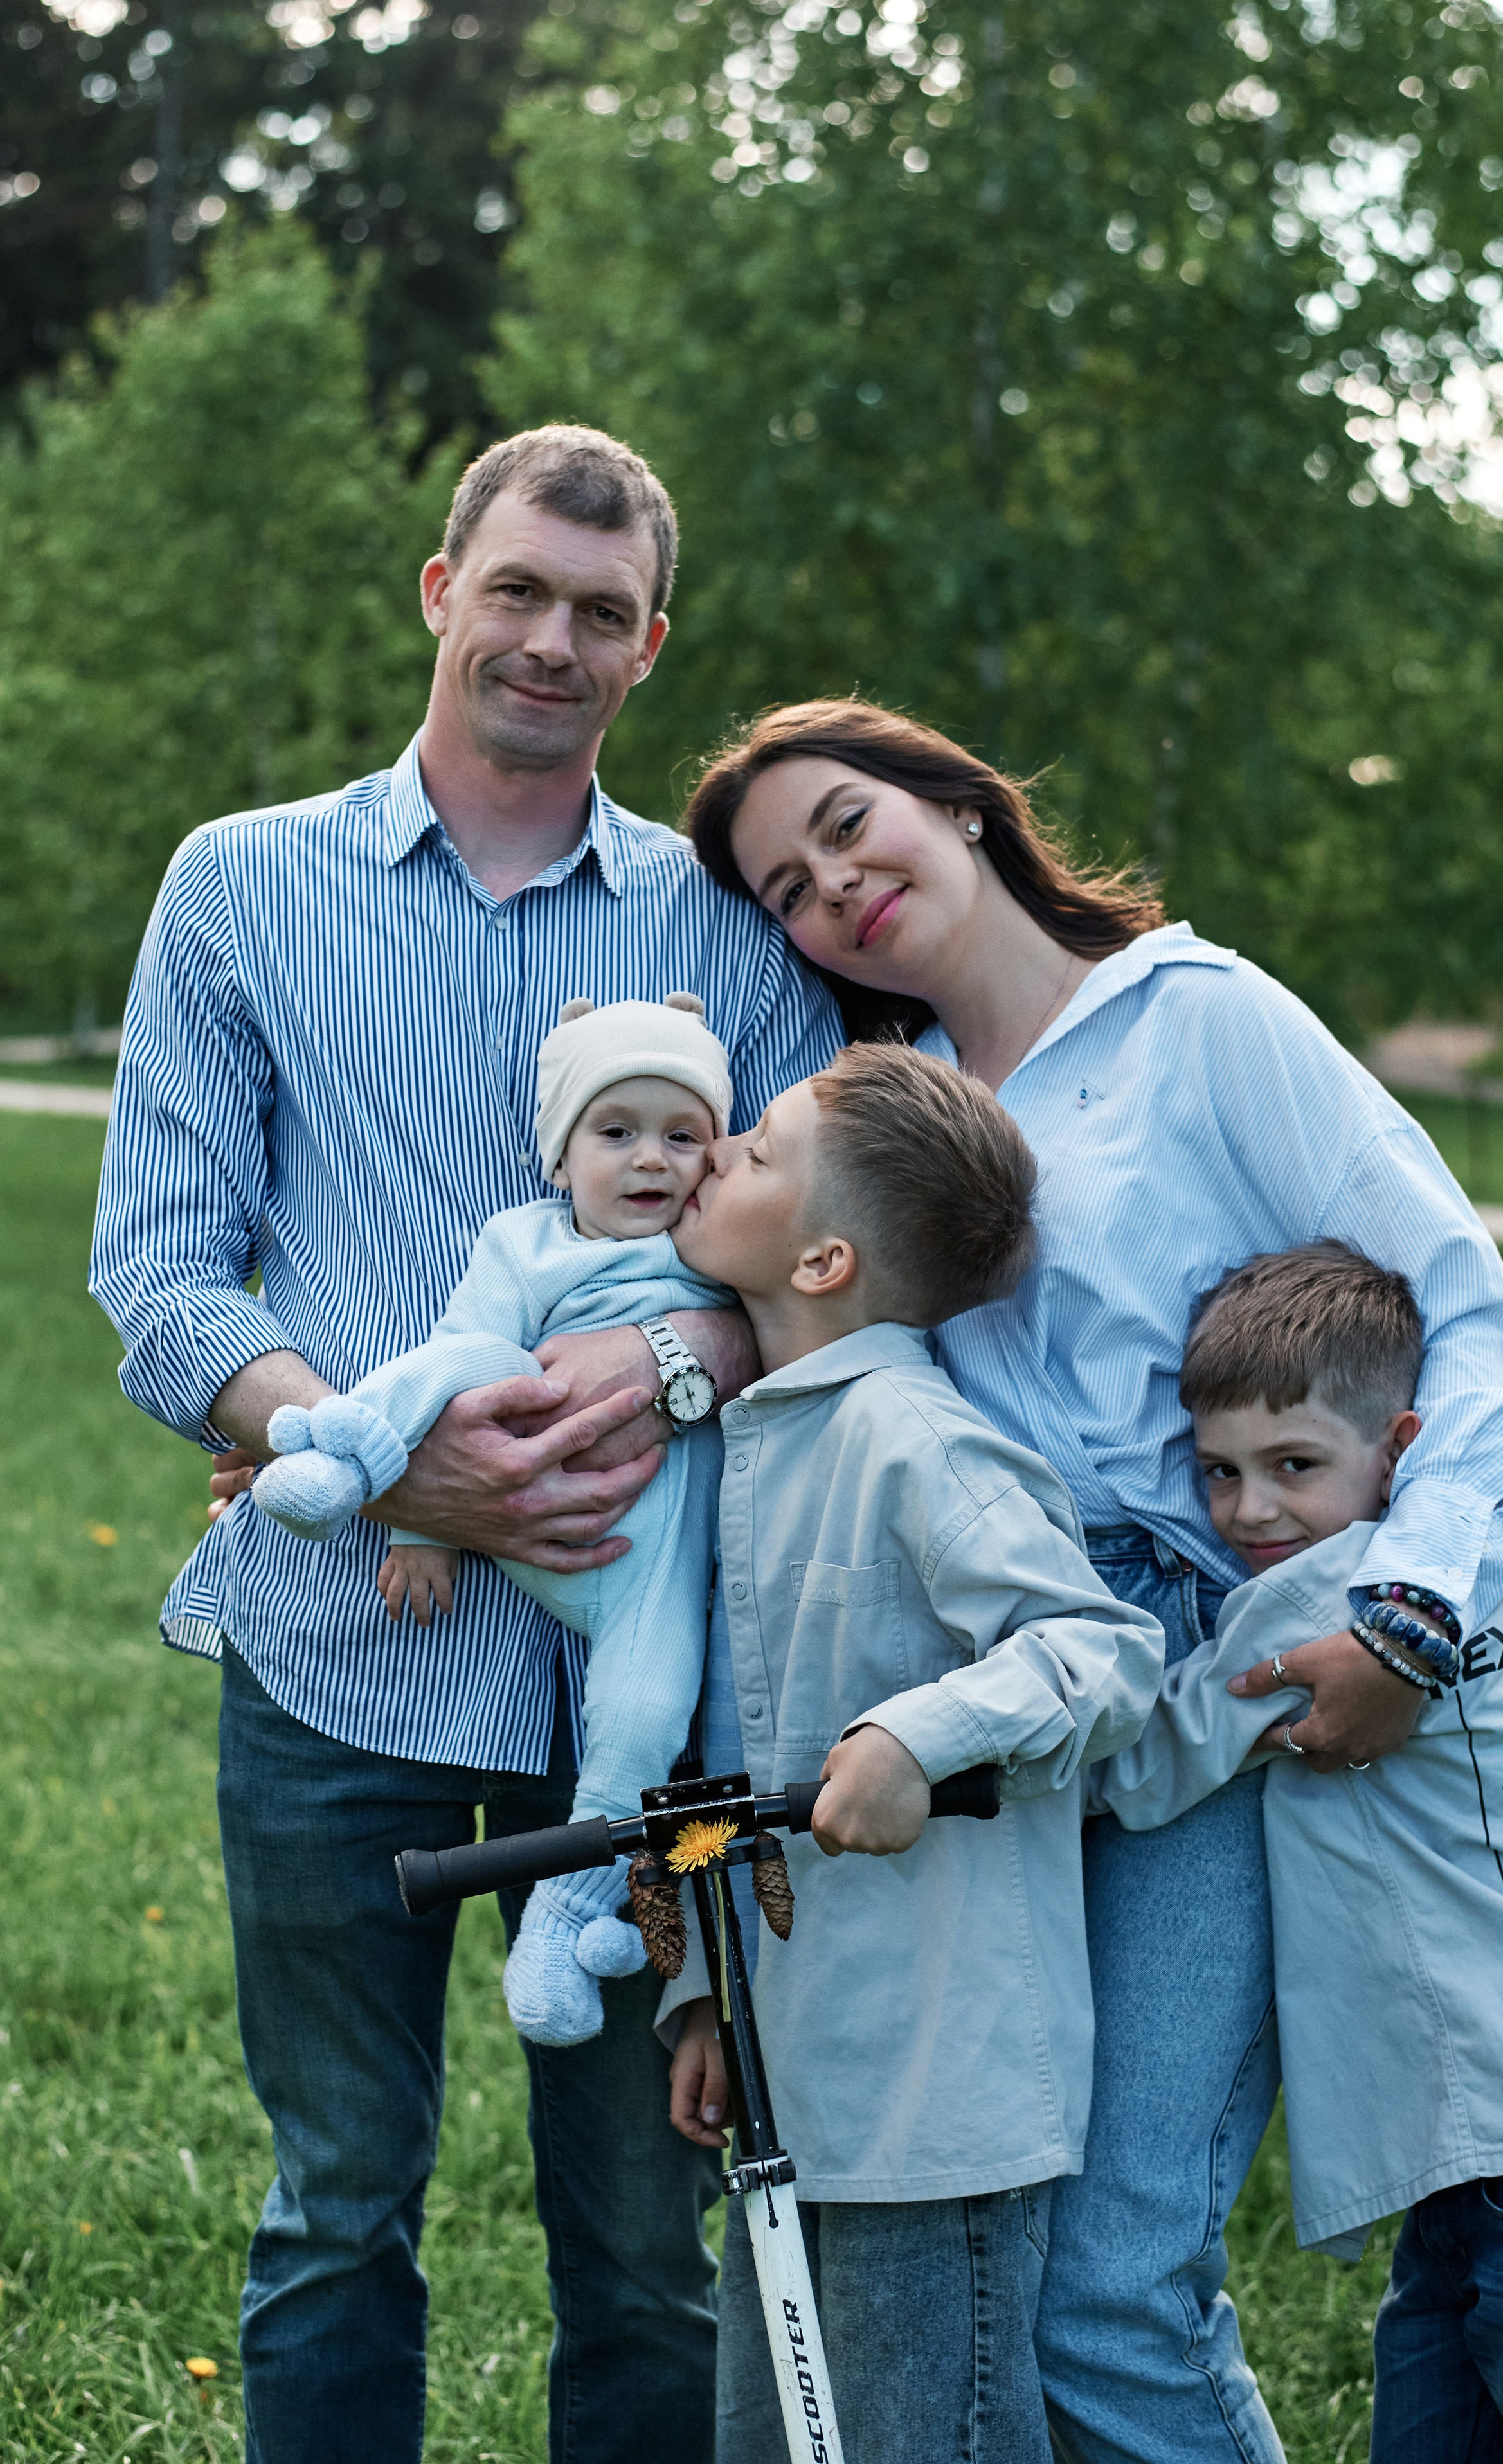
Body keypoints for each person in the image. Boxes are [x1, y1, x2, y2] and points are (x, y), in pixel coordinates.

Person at [683, 699, 1503, 2464]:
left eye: (851, 823)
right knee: (1000, 2253)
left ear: (958, 802)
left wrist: (1411, 1618)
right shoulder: (892, 1115)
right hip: (991, 1713)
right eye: (785, 883)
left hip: (1220, 1680)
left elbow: (1470, 1324)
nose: (832, 884)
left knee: (1109, 2288)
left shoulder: (1199, 1021)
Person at [88, 425, 840, 2464]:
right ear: (443, 594)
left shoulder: (729, 925)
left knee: (642, 2239)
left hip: (645, 1668)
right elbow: (160, 1270)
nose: (551, 638)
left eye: (601, 614)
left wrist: (675, 1362)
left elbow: (826, 1272)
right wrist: (366, 1447)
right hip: (347, 1650)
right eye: (517, 590)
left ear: (649, 648)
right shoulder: (241, 887)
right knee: (338, 2213)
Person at [658, 1042, 1165, 2463]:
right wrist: (705, 1993)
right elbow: (723, 1748)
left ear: (821, 1261)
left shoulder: (913, 1443)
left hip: (937, 2093)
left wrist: (911, 1732)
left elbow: (1099, 1653)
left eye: (754, 1151)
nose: (712, 1156)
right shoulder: (752, 1443)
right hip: (791, 2073)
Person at [1094, 1240, 1503, 2464]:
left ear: (1400, 1448)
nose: (1250, 1510)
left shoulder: (1335, 1590)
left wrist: (960, 1749)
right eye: (1221, 1471)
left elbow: (1145, 1763)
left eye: (1295, 1464)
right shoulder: (1474, 1564)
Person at [248, 991, 740, 2048]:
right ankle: (347, 1459)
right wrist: (429, 1526)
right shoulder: (525, 1244)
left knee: (650, 1712)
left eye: (683, 1134)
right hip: (492, 1503)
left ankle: (570, 1920)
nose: (652, 1158)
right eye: (617, 1132)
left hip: (645, 1561)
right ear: (561, 1157)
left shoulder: (717, 1252)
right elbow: (461, 1362)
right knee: (469, 1360)